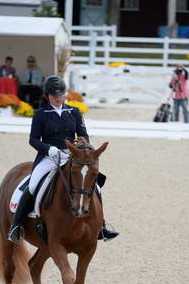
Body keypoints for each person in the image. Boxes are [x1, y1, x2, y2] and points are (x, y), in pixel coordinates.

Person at [8, 75, 119, 245]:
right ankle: (16, 226)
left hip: (72, 156)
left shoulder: (73, 112)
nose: (58, 98)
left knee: (95, 185)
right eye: (54, 96)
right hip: (49, 157)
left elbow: (83, 134)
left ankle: (101, 226)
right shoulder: (40, 114)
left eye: (60, 95)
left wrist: (82, 145)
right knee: (33, 184)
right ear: (47, 96)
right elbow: (33, 140)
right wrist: (48, 149)